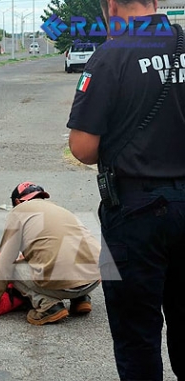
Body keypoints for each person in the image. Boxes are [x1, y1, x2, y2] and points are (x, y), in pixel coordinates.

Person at [67, 1, 185, 379]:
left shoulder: (110, 57)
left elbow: (83, 148)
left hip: (135, 212)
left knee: (137, 337)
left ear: (112, 7)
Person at [0, 182, 101, 326]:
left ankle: (48, 306)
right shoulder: (58, 209)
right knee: (68, 256)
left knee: (11, 268)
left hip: (64, 287)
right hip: (94, 279)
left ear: (17, 202)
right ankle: (81, 299)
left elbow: (5, 264)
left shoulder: (18, 212)